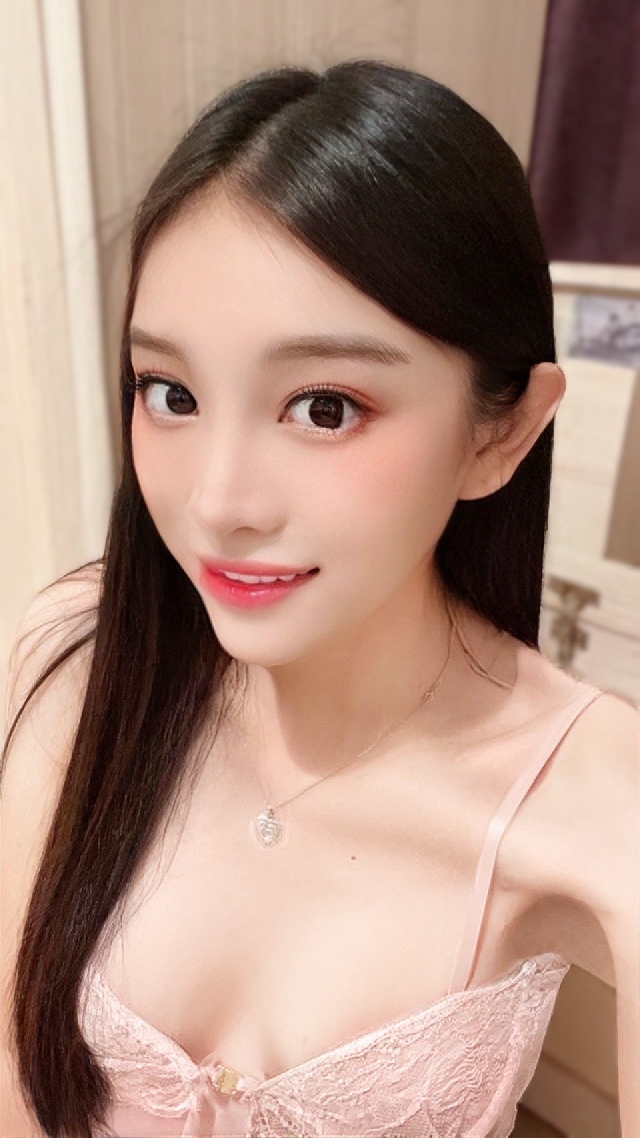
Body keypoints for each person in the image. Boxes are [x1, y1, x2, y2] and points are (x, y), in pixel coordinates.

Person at [1, 60, 638, 1138]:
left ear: (503, 431)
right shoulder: (81, 654)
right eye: (171, 393)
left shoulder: (596, 805)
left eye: (325, 408)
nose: (218, 502)